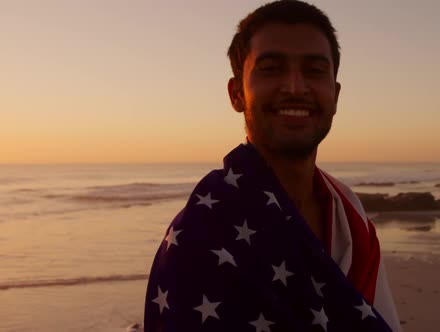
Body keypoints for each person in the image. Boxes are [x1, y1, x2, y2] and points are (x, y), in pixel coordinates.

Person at [144, 1, 401, 331]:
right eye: (271, 69)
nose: (295, 87)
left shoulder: (350, 216)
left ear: (335, 95)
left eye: (314, 70)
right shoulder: (200, 235)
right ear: (237, 94)